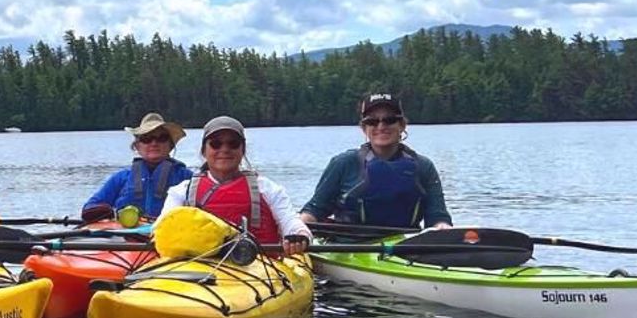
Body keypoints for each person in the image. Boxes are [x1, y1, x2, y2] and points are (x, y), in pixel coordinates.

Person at [159, 116, 310, 255]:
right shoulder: (181, 191)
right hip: (199, 266)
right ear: (204, 151)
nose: (224, 149)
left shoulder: (267, 188)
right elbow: (162, 226)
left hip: (260, 266)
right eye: (216, 144)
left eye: (233, 144)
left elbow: (291, 222)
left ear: (242, 150)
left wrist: (299, 235)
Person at [299, 93, 452, 229]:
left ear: (402, 125)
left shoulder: (424, 167)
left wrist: (443, 228)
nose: (381, 126)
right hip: (350, 246)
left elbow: (438, 217)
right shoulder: (343, 163)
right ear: (364, 128)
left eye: (389, 120)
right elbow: (314, 210)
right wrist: (297, 232)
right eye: (372, 122)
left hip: (406, 248)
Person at [80, 112, 191, 225]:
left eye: (161, 138)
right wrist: (110, 214)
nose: (154, 143)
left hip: (169, 235)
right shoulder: (121, 178)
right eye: (147, 138)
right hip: (125, 238)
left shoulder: (187, 177)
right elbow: (90, 207)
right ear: (137, 146)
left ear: (170, 145)